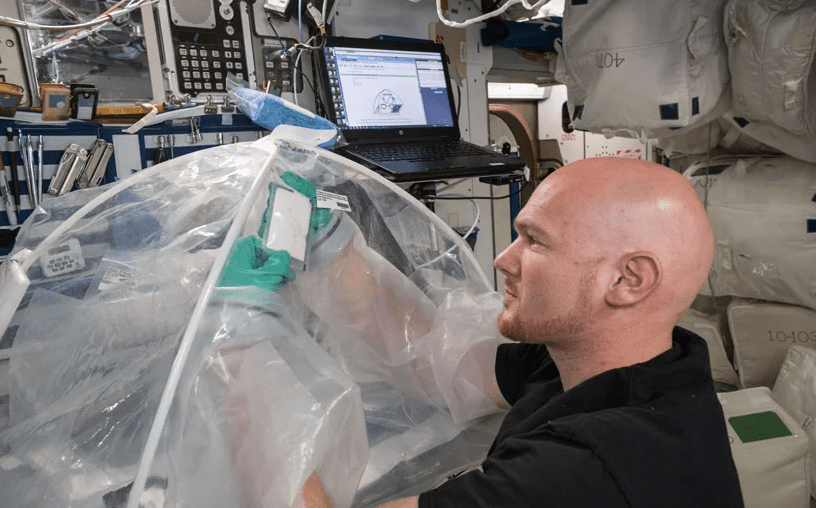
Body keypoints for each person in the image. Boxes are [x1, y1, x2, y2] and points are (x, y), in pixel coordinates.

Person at [303, 156, 745, 508]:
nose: (503, 259)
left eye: (535, 241)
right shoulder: (638, 362)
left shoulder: (588, 468)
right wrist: (329, 247)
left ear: (628, 280)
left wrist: (246, 343)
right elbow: (429, 359)